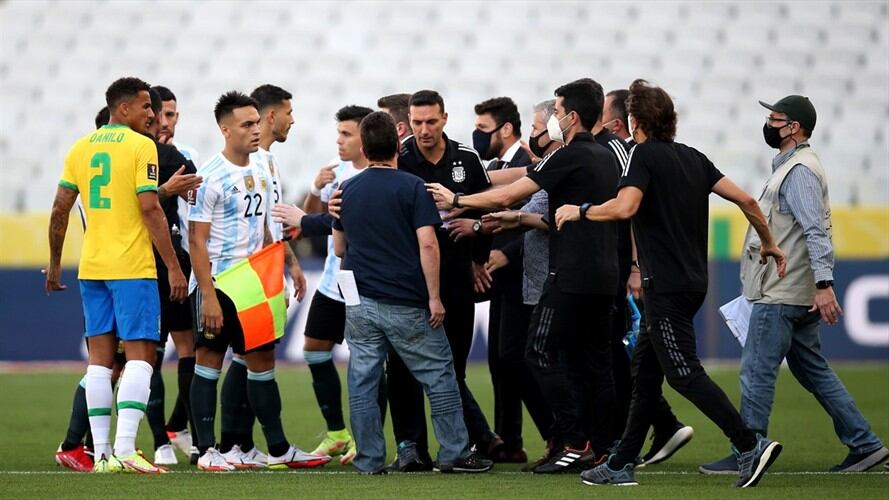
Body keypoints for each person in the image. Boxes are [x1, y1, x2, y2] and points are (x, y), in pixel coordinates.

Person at [557, 79, 786, 488]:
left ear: (634, 121)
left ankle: (749, 444)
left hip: (664, 285)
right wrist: (769, 244)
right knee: (644, 375)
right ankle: (620, 463)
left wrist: (581, 210)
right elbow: (748, 201)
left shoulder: (640, 156)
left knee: (682, 374)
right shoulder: (694, 158)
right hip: (695, 282)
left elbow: (626, 206)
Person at [426, 79, 620, 473]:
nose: (551, 121)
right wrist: (521, 218)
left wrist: (457, 199)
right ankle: (604, 450)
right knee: (594, 364)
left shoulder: (568, 154)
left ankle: (572, 440)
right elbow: (536, 199)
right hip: (604, 274)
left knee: (537, 351)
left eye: (558, 110)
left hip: (568, 275)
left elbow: (508, 192)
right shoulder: (604, 157)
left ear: (572, 117)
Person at [700, 95, 889, 475]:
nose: (769, 124)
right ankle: (865, 444)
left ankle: (749, 450)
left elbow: (815, 231)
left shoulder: (799, 170)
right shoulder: (792, 166)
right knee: (812, 370)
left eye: (776, 119)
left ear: (795, 127)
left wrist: (824, 284)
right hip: (791, 288)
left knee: (756, 370)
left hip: (784, 289)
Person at [331, 111, 492, 475]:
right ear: (397, 147)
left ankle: (369, 459)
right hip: (404, 299)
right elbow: (428, 245)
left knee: (363, 380)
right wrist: (435, 297)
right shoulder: (412, 187)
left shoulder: (346, 191)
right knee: (439, 373)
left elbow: (340, 248)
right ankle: (454, 451)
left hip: (359, 300)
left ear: (365, 146)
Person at [46, 77, 188, 473]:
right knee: (142, 356)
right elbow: (150, 209)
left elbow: (60, 209)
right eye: (146, 107)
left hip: (92, 268)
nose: (152, 114)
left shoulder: (80, 147)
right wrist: (174, 267)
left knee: (99, 362)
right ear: (122, 109)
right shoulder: (142, 147)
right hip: (132, 267)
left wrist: (56, 263)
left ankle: (102, 455)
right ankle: (126, 449)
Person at [187, 91, 325, 472]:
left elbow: (267, 231)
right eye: (246, 125)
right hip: (220, 279)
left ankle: (278, 448)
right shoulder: (209, 176)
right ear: (225, 129)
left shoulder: (264, 167)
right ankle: (207, 450)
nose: (255, 130)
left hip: (254, 281)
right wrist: (209, 297)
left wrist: (278, 274)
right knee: (209, 362)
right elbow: (196, 241)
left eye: (256, 122)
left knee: (262, 362)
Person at [387, 90, 500, 471]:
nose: (423, 130)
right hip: (407, 279)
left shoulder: (467, 160)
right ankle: (411, 447)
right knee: (402, 367)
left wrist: (478, 258)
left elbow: (490, 209)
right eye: (417, 122)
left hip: (454, 277)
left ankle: (459, 446)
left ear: (445, 119)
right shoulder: (398, 156)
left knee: (453, 366)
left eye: (431, 122)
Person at [470, 96, 536, 463]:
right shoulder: (495, 165)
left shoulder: (528, 166)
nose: (477, 136)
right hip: (501, 278)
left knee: (516, 358)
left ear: (506, 129)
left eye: (482, 129)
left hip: (524, 275)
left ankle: (560, 434)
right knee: (500, 360)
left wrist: (506, 253)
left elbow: (538, 219)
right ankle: (509, 441)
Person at [141, 88, 203, 467]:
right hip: (139, 264)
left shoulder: (182, 157)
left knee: (189, 350)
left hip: (176, 259)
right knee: (144, 355)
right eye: (162, 115)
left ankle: (189, 433)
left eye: (173, 115)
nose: (167, 123)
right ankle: (158, 438)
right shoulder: (140, 153)